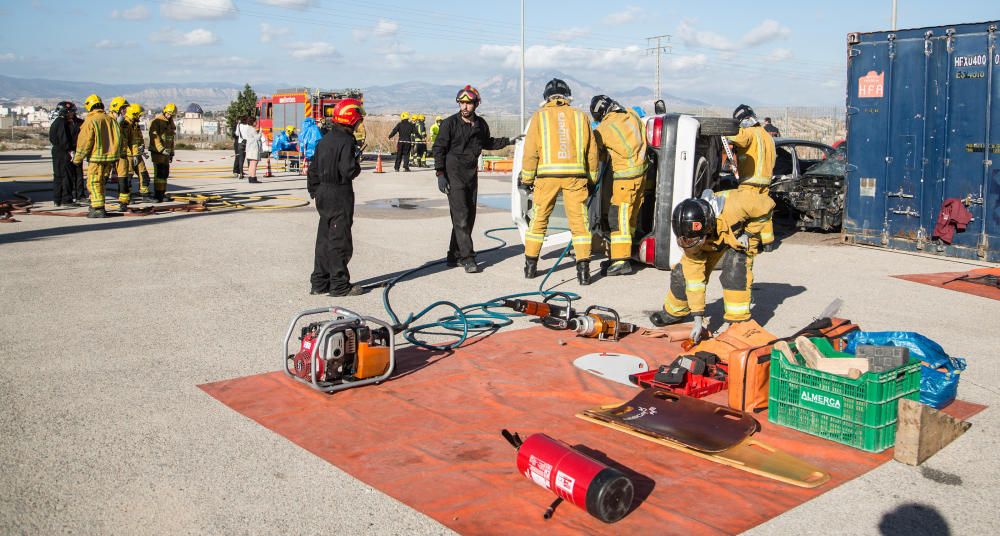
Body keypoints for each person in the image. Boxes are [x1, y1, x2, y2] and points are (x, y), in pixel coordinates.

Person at [648, 190, 775, 340]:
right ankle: (674, 312)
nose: (690, 244)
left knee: (735, 271)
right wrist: (698, 317)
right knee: (682, 274)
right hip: (712, 242)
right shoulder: (692, 236)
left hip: (739, 238)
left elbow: (767, 205)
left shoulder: (738, 204)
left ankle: (738, 323)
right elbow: (694, 281)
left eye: (693, 240)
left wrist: (748, 234)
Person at [518, 78, 599, 285]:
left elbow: (530, 153)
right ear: (567, 96)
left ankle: (530, 266)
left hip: (547, 179)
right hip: (575, 178)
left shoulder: (539, 117)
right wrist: (592, 179)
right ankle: (583, 272)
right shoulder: (581, 117)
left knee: (538, 221)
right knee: (580, 224)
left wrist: (527, 179)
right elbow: (592, 153)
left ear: (546, 98)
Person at [432, 85, 517, 273]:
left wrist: (509, 140)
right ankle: (468, 258)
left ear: (476, 104)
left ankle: (453, 256)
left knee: (468, 217)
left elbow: (488, 142)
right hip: (453, 174)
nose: (465, 107)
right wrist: (440, 174)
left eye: (468, 103)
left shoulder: (480, 125)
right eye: (462, 103)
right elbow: (438, 149)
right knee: (460, 217)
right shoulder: (449, 124)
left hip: (471, 175)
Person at [307, 98, 367, 297]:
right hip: (339, 193)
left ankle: (319, 282)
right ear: (351, 119)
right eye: (358, 120)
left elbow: (312, 169)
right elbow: (348, 170)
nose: (360, 124)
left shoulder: (325, 139)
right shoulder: (347, 141)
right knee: (339, 240)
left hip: (323, 193)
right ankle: (339, 285)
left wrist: (315, 191)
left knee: (324, 238)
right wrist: (356, 161)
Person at [590, 95, 647, 277]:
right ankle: (624, 254)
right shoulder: (631, 115)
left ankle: (621, 261)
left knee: (618, 217)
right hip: (641, 176)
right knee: (630, 217)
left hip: (624, 179)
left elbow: (596, 155)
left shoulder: (604, 128)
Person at [72, 94, 123, 218]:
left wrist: (77, 159)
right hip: (110, 158)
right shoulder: (111, 119)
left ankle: (98, 208)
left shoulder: (91, 120)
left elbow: (85, 142)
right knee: (101, 182)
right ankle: (99, 205)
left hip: (96, 158)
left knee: (94, 182)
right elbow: (119, 139)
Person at [48, 101, 81, 207]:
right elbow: (63, 139)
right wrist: (70, 150)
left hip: (57, 151)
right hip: (63, 152)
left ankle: (57, 199)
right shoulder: (62, 123)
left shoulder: (56, 122)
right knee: (66, 176)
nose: (72, 114)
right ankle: (66, 199)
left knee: (58, 176)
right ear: (65, 112)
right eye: (71, 112)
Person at [119, 103, 150, 210]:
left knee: (143, 173)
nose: (140, 117)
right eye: (139, 115)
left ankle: (145, 194)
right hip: (128, 155)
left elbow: (138, 138)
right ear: (134, 114)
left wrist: (142, 147)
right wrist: (134, 153)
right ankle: (128, 196)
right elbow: (126, 142)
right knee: (128, 176)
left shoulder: (135, 124)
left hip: (137, 153)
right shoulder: (125, 124)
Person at [148, 103, 177, 202]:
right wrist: (161, 149)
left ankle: (162, 193)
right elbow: (155, 138)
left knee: (165, 174)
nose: (170, 116)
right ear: (164, 111)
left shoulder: (170, 123)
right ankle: (158, 194)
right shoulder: (157, 122)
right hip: (158, 153)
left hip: (166, 153)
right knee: (159, 174)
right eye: (168, 114)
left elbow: (171, 140)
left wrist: (171, 153)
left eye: (172, 115)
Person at [238, 117, 261, 183]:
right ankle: (253, 177)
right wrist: (260, 131)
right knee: (254, 163)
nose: (256, 123)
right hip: (253, 148)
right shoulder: (252, 129)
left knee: (251, 163)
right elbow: (257, 137)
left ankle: (250, 177)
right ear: (253, 122)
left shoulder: (248, 129)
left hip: (249, 148)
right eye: (255, 121)